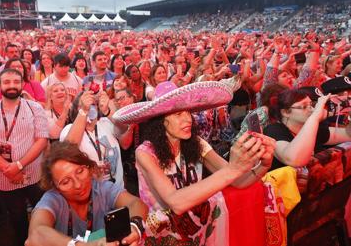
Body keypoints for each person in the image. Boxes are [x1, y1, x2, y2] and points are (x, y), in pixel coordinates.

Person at [113, 81, 275, 244]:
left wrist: (263, 166)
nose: (187, 119)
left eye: (188, 112)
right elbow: (176, 202)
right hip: (163, 237)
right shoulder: (145, 153)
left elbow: (238, 181)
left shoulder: (196, 143)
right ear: (160, 121)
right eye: (178, 114)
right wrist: (233, 168)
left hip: (199, 233)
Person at [0, 68, 49, 246]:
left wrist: (18, 166)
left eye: (16, 82)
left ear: (22, 84)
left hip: (33, 174)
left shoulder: (35, 108)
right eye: (7, 82)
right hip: (3, 179)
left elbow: (41, 140)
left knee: (42, 212)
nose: (12, 85)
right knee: (16, 217)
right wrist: (8, 170)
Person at [26, 142, 148, 246]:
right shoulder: (52, 200)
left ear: (89, 168)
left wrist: (134, 226)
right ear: (55, 187)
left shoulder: (102, 189)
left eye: (80, 171)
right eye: (66, 181)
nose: (78, 185)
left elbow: (136, 203)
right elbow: (35, 235)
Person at [263, 86, 351, 170]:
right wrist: (316, 116)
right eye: (304, 106)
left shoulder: (314, 127)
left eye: (311, 104)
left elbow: (348, 135)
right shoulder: (273, 131)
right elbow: (294, 159)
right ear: (286, 112)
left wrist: (349, 112)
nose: (312, 109)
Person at [60, 91, 126, 187]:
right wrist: (84, 111)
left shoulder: (106, 122)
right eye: (84, 104)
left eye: (93, 104)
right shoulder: (69, 129)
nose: (90, 107)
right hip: (91, 193)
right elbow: (68, 150)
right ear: (77, 110)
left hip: (117, 189)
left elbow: (125, 129)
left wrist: (107, 111)